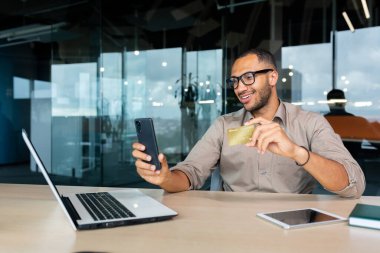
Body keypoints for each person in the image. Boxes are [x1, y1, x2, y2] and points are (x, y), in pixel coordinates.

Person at [132, 48, 365, 198]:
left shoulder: (310, 123)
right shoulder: (225, 126)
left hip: (290, 229)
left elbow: (354, 184)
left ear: (272, 77)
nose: (240, 88)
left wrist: (297, 152)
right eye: (235, 81)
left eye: (248, 78)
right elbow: (190, 174)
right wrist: (165, 178)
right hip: (231, 228)